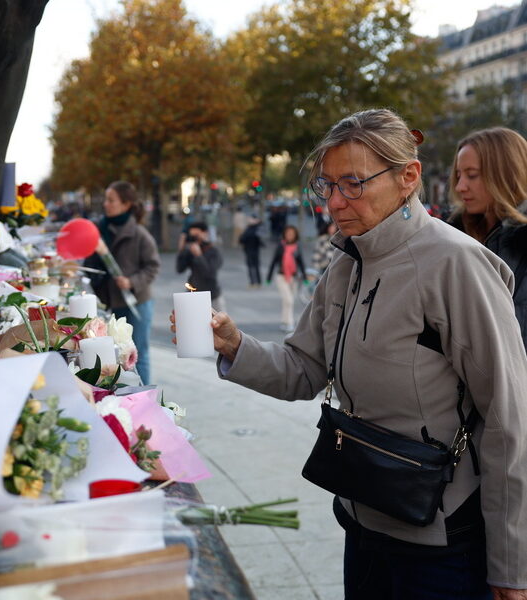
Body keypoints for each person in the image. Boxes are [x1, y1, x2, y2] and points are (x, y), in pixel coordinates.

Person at [171, 109, 527, 599]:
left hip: (441, 541)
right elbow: (303, 369)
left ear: (408, 177)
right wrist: (233, 343)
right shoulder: (346, 259)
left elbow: (510, 418)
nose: (335, 202)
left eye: (354, 183)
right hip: (363, 516)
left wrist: (512, 567)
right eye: (327, 185)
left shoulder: (456, 264)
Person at [449, 127, 527, 350]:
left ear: (507, 173)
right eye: (458, 175)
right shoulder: (453, 238)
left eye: (472, 175)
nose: (460, 186)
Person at [85, 181, 160, 384]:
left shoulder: (139, 234)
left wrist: (131, 281)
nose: (106, 204)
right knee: (119, 354)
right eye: (106, 199)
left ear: (126, 205)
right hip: (112, 301)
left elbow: (153, 267)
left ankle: (144, 398)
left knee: (138, 354)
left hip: (137, 303)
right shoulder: (100, 230)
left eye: (111, 200)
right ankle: (126, 395)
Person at [176, 221, 225, 312]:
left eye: (197, 235)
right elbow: (179, 269)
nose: (195, 239)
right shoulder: (190, 250)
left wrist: (199, 256)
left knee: (218, 324)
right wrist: (181, 250)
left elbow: (210, 273)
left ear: (205, 233)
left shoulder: (213, 251)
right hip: (193, 294)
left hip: (212, 295)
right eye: (192, 236)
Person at [266, 224, 306, 332]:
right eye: (288, 234)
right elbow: (274, 261)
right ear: (284, 235)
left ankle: (284, 321)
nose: (290, 236)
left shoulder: (297, 247)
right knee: (289, 300)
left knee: (288, 301)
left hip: (294, 278)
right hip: (281, 276)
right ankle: (290, 323)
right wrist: (268, 277)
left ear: (295, 235)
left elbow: (301, 262)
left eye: (292, 234)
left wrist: (305, 278)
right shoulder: (281, 246)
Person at [239, 215, 264, 287]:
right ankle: (256, 282)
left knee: (252, 267)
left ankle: (254, 282)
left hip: (251, 250)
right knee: (254, 267)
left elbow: (242, 239)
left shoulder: (252, 229)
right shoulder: (254, 229)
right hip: (252, 250)